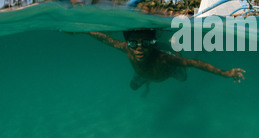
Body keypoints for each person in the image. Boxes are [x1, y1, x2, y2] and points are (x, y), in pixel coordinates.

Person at [89, 29, 245, 94]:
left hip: (169, 72)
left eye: (145, 44)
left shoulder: (163, 59)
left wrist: (225, 73)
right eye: (133, 43)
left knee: (184, 78)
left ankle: (175, 47)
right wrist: (84, 29)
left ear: (153, 44)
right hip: (145, 75)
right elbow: (106, 39)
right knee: (132, 87)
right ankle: (147, 81)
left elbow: (193, 63)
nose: (138, 49)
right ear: (128, 43)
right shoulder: (125, 48)